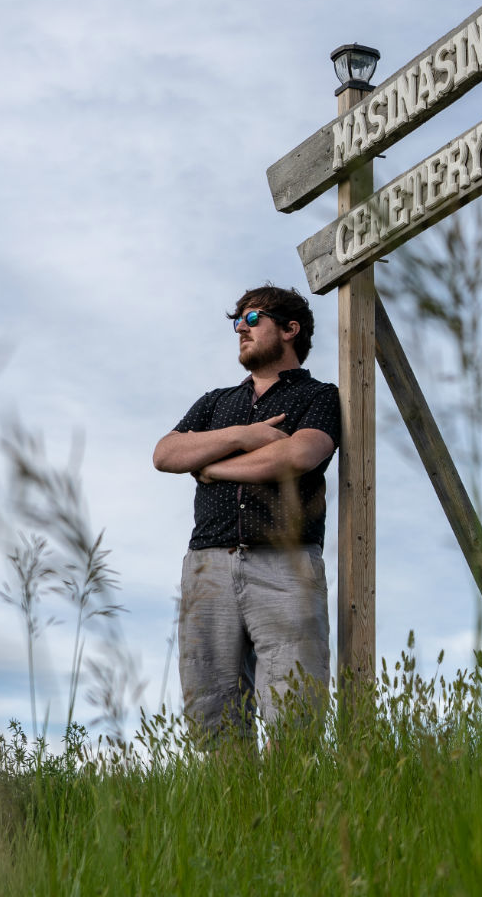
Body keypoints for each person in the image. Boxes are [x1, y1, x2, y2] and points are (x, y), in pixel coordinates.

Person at [153, 284, 340, 745]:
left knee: (293, 714)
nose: (241, 328)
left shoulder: (320, 395)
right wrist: (243, 434)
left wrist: (210, 467)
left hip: (285, 562)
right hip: (207, 567)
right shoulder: (217, 403)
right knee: (211, 715)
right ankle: (236, 814)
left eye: (253, 319)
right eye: (237, 321)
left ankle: (291, 811)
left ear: (290, 329)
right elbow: (166, 453)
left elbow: (298, 456)